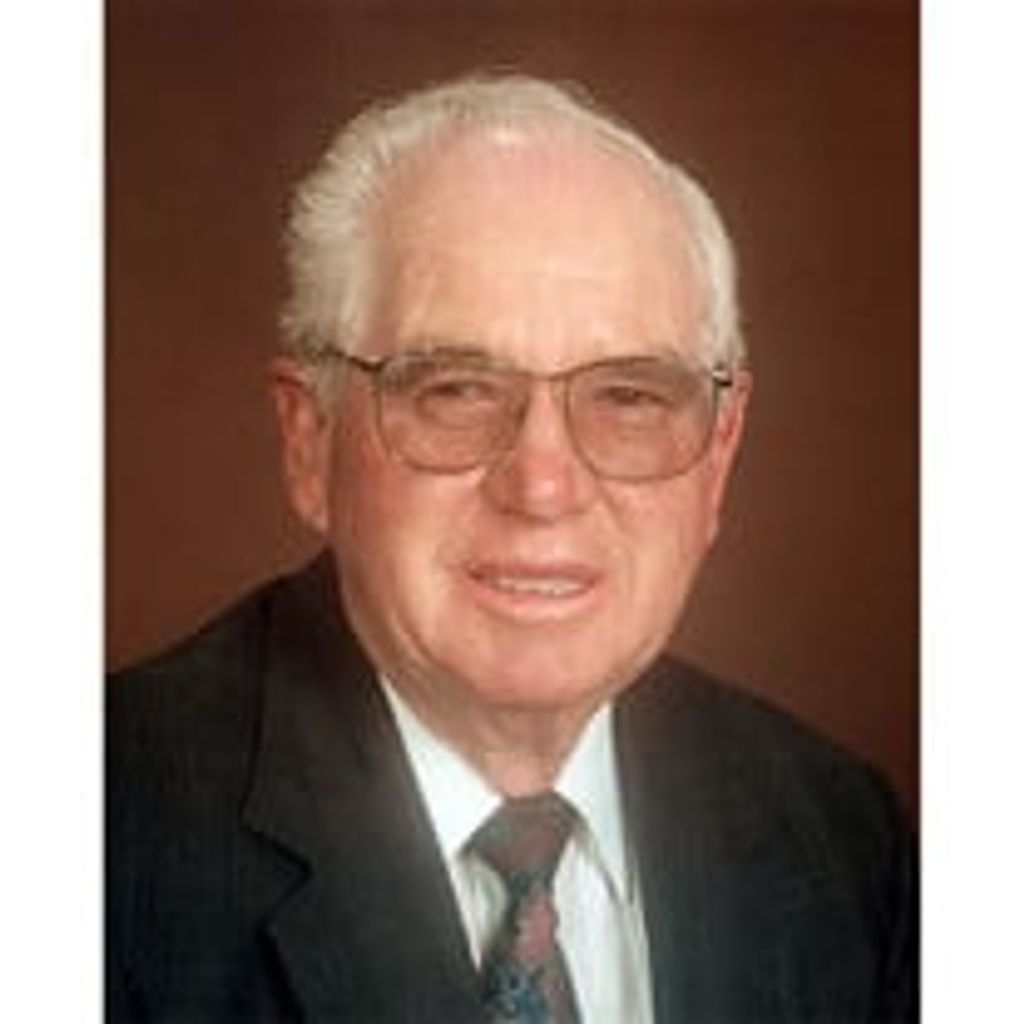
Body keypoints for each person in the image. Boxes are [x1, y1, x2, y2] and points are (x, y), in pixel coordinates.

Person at [107, 74, 916, 1022]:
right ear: (309, 440)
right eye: (456, 390)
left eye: (628, 397)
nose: (543, 487)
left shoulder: (842, 841)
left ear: (720, 453)